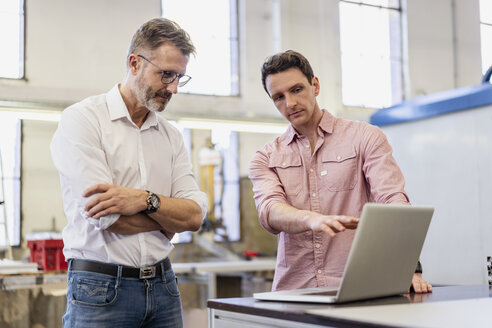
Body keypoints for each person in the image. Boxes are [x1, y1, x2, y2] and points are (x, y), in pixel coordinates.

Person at [50, 18, 207, 328]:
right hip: (100, 288)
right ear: (135, 63)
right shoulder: (83, 121)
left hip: (164, 285)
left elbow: (194, 216)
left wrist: (144, 199)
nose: (173, 88)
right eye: (166, 75)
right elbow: (108, 218)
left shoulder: (171, 136)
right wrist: (166, 220)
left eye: (179, 77)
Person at [249, 50, 432, 294]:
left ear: (315, 85)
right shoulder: (265, 158)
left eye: (296, 90)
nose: (290, 103)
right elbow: (270, 210)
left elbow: (393, 201)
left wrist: (409, 266)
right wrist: (310, 218)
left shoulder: (365, 138)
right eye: (278, 97)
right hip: (293, 294)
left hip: (357, 290)